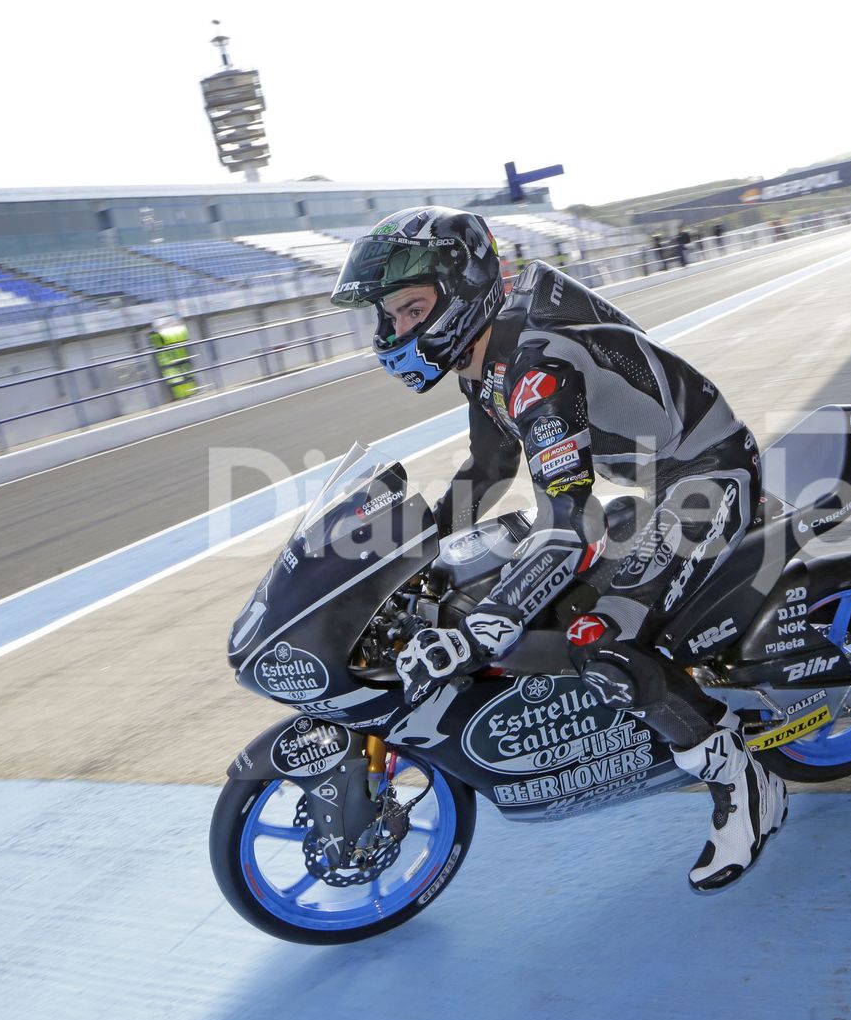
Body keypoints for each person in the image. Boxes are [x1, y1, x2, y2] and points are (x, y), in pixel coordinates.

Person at [330, 206, 787, 893]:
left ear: (462, 289)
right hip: (654, 483)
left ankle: (745, 783)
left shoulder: (537, 366)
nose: (396, 331)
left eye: (412, 310)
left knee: (602, 636)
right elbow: (487, 471)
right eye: (390, 316)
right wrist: (402, 559)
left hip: (705, 479)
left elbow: (569, 524)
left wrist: (482, 631)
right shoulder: (484, 355)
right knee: (517, 582)